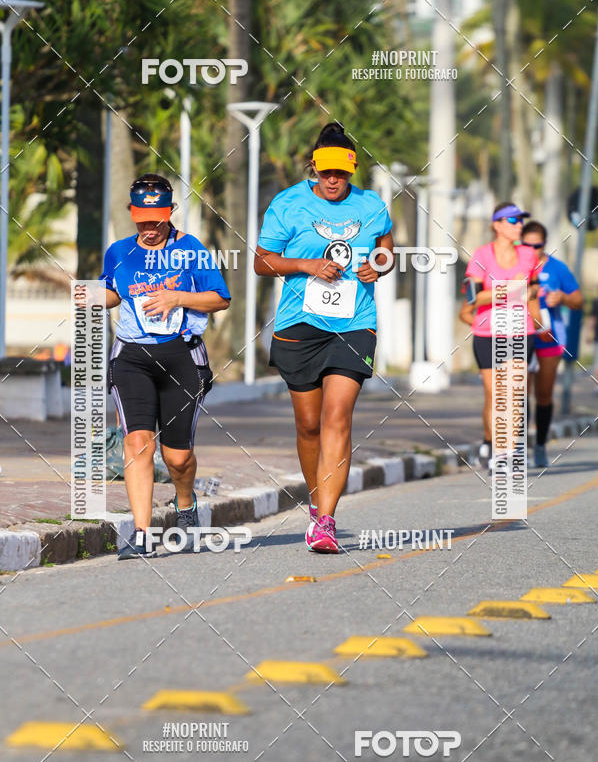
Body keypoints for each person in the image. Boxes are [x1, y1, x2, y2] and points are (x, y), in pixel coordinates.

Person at [255, 123, 394, 553]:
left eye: (342, 174)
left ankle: (327, 521)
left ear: (352, 172)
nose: (334, 181)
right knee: (309, 425)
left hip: (354, 324)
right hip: (299, 325)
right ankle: (317, 504)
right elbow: (262, 263)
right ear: (313, 168)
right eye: (326, 173)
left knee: (338, 417)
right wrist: (306, 265)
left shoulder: (371, 205)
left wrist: (379, 264)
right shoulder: (288, 204)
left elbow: (387, 249)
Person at [100, 174, 231, 559]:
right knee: (138, 443)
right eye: (142, 220)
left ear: (170, 212)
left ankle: (185, 504)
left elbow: (219, 299)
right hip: (131, 359)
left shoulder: (191, 249)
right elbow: (114, 292)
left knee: (177, 457)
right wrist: (88, 293)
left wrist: (177, 297)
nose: (150, 228)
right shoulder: (118, 251)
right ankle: (141, 533)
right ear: (131, 214)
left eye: (157, 219)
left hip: (181, 358)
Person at [465, 202, 543, 473]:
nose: (519, 225)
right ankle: (492, 443)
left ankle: (507, 452)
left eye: (521, 220)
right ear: (496, 225)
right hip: (488, 332)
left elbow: (533, 287)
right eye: (512, 221)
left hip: (521, 330)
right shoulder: (481, 255)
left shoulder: (528, 255)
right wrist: (510, 289)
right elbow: (474, 298)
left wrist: (529, 292)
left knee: (515, 392)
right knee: (495, 394)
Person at [522, 221, 583, 467]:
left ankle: (540, 446)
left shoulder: (557, 268)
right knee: (519, 395)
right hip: (522, 335)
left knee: (544, 394)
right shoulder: (515, 267)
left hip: (550, 337)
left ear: (545, 245)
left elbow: (579, 301)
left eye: (538, 245)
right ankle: (519, 447)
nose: (533, 250)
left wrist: (564, 297)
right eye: (528, 245)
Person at [588, 285, 598, 394]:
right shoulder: (597, 302)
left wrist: (588, 333)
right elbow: (592, 319)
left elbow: (592, 319)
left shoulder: (597, 301)